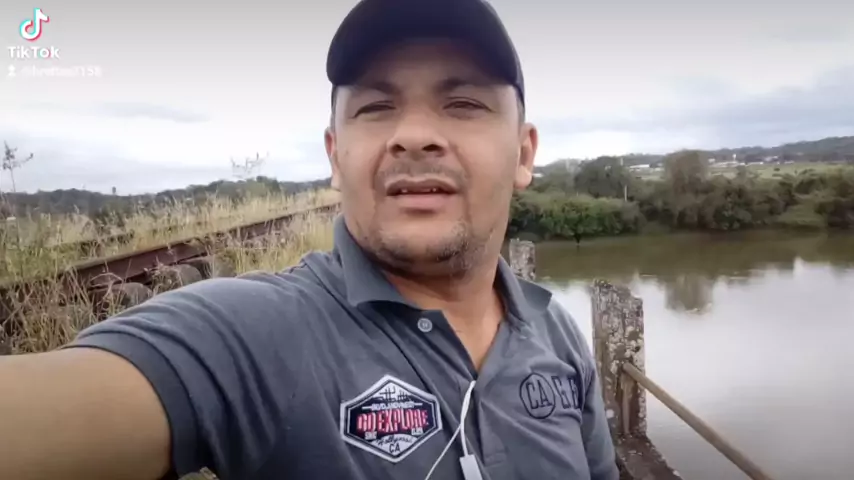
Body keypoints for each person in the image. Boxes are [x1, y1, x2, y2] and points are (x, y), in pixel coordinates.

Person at [0, 0, 619, 479]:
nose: (413, 135)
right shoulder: (258, 334)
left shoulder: (557, 335)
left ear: (524, 153)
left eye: (462, 103)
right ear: (334, 154)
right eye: (375, 108)